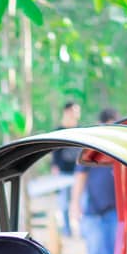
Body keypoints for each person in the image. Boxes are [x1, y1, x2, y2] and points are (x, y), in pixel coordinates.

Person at [71, 107, 118, 254]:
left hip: (114, 211)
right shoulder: (92, 147)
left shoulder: (118, 149)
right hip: (93, 212)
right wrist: (75, 204)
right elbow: (80, 176)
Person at [51, 99, 82, 238]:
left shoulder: (80, 130)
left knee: (80, 201)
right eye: (74, 111)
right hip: (63, 172)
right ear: (67, 112)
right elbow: (54, 153)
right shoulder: (59, 131)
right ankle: (66, 230)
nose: (76, 114)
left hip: (79, 172)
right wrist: (55, 167)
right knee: (63, 203)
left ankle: (81, 229)